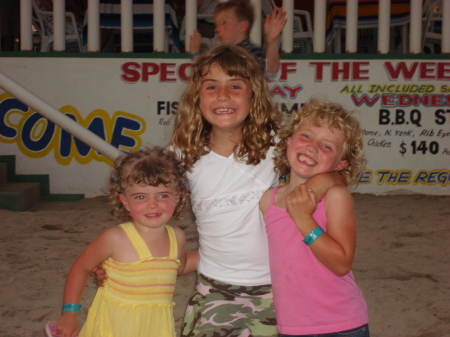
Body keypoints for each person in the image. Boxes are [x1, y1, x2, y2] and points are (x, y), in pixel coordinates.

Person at [94, 45, 344, 337]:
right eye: (211, 86)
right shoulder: (179, 156)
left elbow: (334, 176)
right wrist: (123, 263)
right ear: (196, 97)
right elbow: (146, 215)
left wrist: (321, 183)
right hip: (214, 290)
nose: (223, 96)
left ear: (254, 94)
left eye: (235, 86)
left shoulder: (280, 145)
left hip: (282, 287)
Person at [54, 146, 198, 337]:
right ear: (125, 202)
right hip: (115, 326)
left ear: (177, 198)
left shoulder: (177, 236)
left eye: (162, 195)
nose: (152, 204)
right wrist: (70, 314)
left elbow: (179, 267)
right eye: (140, 197)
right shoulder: (115, 238)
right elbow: (80, 267)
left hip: (156, 327)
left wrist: (216, 253)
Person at [260, 98, 370, 336]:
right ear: (288, 140)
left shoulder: (335, 197)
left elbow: (341, 263)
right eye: (306, 136)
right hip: (290, 327)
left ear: (341, 164)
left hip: (341, 326)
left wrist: (304, 220)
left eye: (327, 146)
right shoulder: (268, 200)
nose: (312, 147)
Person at [189, 0, 287, 81]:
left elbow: (270, 74)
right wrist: (196, 55)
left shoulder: (251, 52)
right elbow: (208, 76)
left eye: (224, 23)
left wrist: (271, 41)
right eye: (216, 25)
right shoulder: (218, 53)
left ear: (242, 26)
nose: (217, 29)